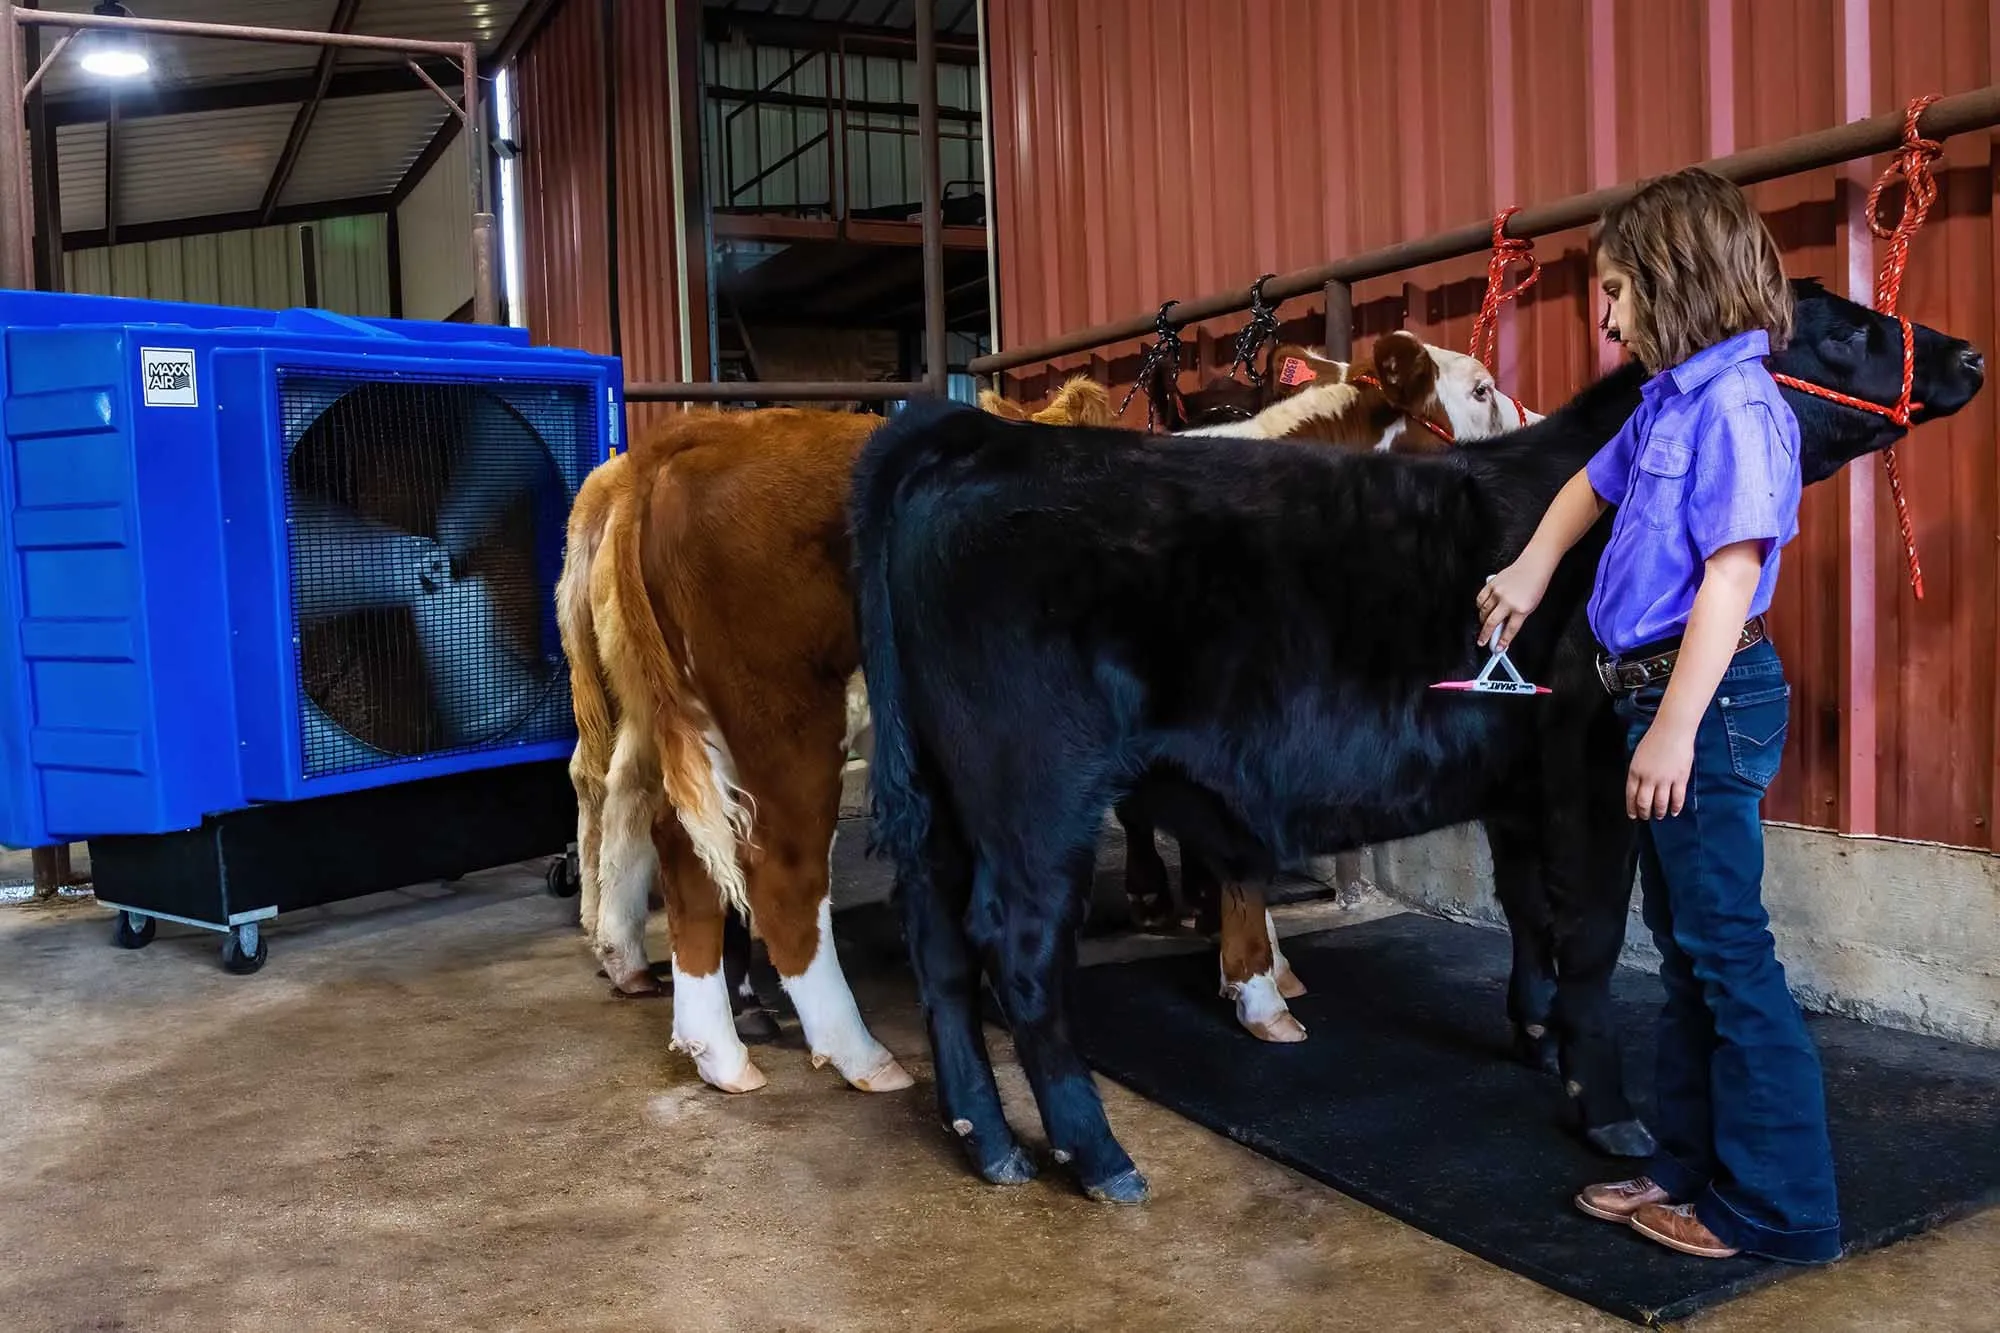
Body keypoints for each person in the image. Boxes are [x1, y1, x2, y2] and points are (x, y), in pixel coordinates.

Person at [1474, 166, 1840, 1265]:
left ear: (1674, 285)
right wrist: (1531, 568)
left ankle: (1780, 1205)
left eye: (1619, 291)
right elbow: (1591, 480)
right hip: (1665, 694)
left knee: (1728, 954)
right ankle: (1685, 1168)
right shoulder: (1672, 398)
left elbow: (1729, 576)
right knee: (1684, 951)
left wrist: (1675, 727)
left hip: (1706, 699)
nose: (1605, 315)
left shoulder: (1737, 407)